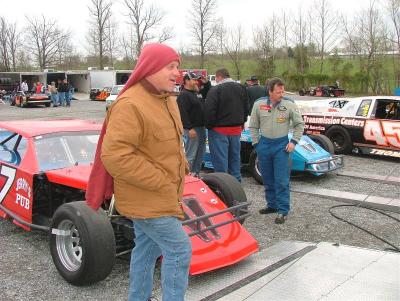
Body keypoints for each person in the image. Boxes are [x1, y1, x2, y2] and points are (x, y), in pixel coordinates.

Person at [86, 43, 192, 301]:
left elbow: (166, 146)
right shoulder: (130, 104)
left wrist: (183, 166)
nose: (176, 73)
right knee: (179, 250)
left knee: (146, 249)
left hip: (163, 196)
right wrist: (161, 180)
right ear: (151, 68)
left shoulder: (168, 100)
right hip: (147, 199)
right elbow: (115, 156)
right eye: (170, 67)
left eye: (177, 67)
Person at [249, 78, 304, 224]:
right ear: (270, 92)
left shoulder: (289, 104)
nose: (281, 94)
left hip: (281, 146)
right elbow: (253, 126)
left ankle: (282, 210)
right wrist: (257, 144)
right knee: (267, 178)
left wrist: (294, 142)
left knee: (281, 180)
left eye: (283, 91)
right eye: (278, 92)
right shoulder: (259, 104)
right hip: (264, 145)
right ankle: (272, 205)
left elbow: (299, 125)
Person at [204, 68, 249, 182]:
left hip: (219, 130)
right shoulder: (241, 88)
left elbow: (209, 110)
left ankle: (223, 191)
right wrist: (242, 121)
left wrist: (209, 126)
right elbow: (246, 107)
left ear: (218, 77)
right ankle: (237, 190)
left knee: (220, 163)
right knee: (235, 161)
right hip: (236, 130)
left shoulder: (216, 90)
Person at [177, 71, 210, 177]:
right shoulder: (183, 95)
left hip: (201, 127)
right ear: (186, 81)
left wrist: (206, 83)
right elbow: (182, 113)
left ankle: (195, 174)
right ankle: (186, 177)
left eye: (197, 80)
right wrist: (189, 128)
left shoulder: (196, 93)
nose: (197, 82)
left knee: (200, 152)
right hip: (192, 129)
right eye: (194, 80)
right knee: (191, 154)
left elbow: (208, 92)